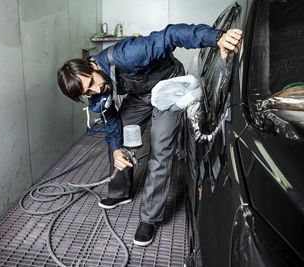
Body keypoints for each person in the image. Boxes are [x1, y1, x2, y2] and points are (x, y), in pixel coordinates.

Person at [57, 24, 243, 247]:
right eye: (88, 92)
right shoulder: (96, 92)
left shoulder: (129, 54)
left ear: (92, 65)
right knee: (117, 142)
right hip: (140, 95)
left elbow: (171, 35)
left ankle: (149, 218)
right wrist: (117, 148)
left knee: (161, 148)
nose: (96, 91)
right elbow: (112, 122)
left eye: (91, 83)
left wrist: (217, 38)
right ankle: (120, 192)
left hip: (167, 87)